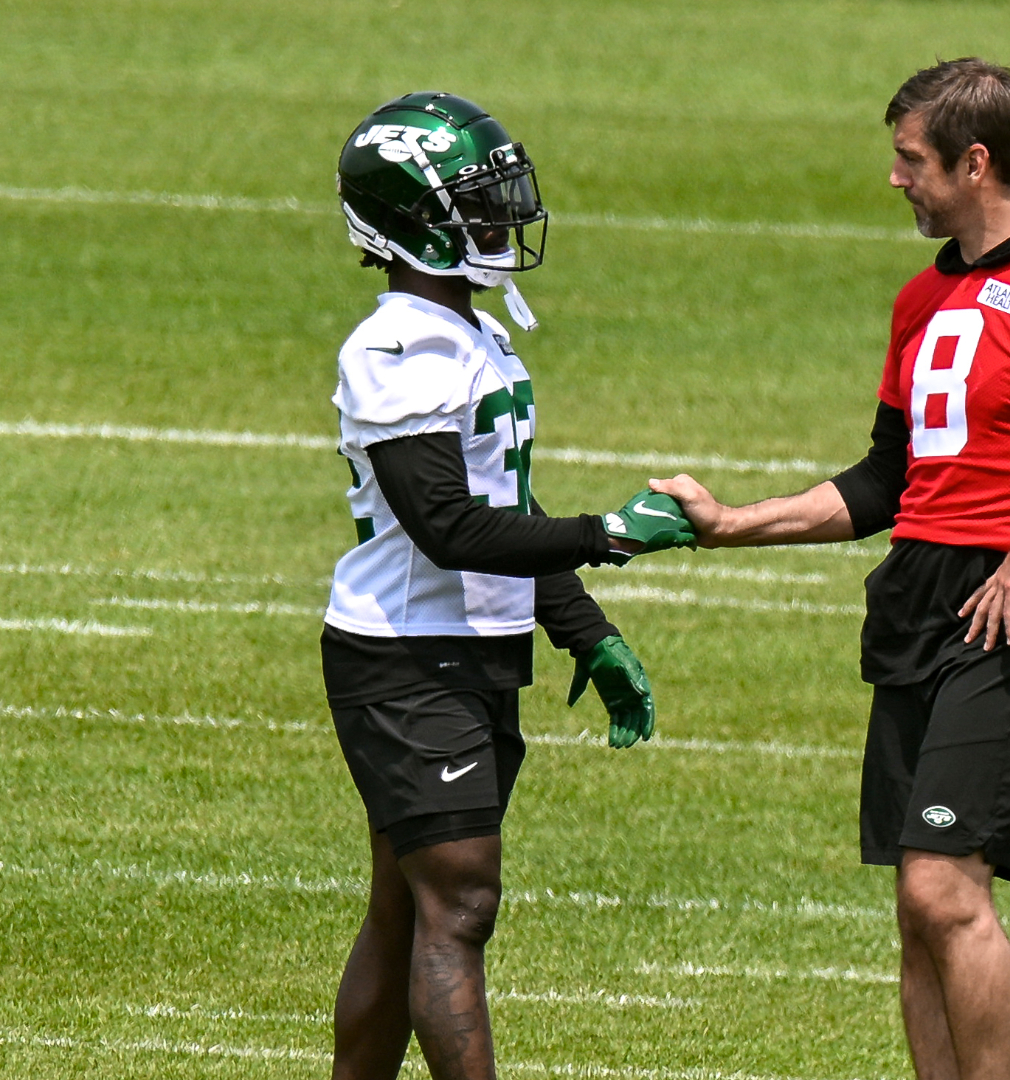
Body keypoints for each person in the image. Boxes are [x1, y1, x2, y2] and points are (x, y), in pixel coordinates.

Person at [647, 60, 1010, 1080]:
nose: (894, 179)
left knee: (942, 889)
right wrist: (732, 523)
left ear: (976, 160)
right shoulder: (923, 298)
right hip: (918, 598)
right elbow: (885, 481)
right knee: (918, 903)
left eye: (910, 159)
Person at [324, 93, 694, 1080]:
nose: (502, 219)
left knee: (407, 910)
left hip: (466, 650)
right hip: (404, 656)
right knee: (459, 904)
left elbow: (510, 510)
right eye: (477, 204)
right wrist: (612, 533)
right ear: (412, 219)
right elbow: (448, 528)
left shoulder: (473, 335)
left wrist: (586, 631)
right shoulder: (398, 347)